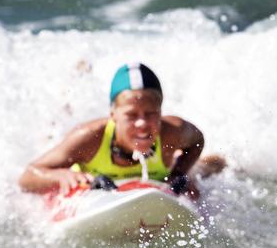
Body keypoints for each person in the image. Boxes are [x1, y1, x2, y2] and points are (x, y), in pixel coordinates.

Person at [19, 63, 225, 199]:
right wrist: (60, 176)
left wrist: (179, 173)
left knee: (208, 169)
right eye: (131, 115)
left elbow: (197, 140)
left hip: (159, 169)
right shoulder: (89, 138)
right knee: (50, 137)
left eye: (151, 113)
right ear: (113, 114)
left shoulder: (173, 131)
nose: (142, 123)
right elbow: (27, 177)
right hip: (92, 174)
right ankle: (72, 86)